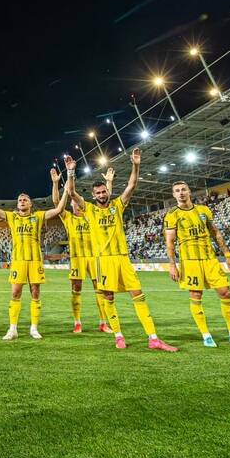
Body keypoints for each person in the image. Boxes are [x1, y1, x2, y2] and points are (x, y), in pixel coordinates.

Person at [66, 151, 178, 352]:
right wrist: (71, 172)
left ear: (107, 192)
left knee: (138, 295)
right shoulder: (90, 210)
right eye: (98, 193)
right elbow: (72, 193)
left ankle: (153, 338)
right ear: (93, 196)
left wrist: (136, 165)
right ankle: (118, 335)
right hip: (104, 261)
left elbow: (132, 186)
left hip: (123, 259)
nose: (101, 195)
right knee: (108, 297)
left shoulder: (117, 205)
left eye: (103, 192)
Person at [164, 181, 230, 348]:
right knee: (196, 296)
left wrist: (228, 254)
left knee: (225, 293)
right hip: (190, 262)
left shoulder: (204, 210)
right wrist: (172, 264)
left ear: (189, 191)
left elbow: (216, 233)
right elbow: (170, 242)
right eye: (177, 191)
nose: (181, 193)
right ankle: (206, 335)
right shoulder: (172, 214)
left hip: (210, 259)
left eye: (183, 189)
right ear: (174, 195)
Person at [0, 172, 65, 341]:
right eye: (19, 200)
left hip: (35, 261)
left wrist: (55, 184)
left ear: (30, 204)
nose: (22, 201)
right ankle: (13, 329)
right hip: (18, 261)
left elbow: (59, 209)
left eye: (24, 200)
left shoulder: (38, 217)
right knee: (15, 293)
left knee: (35, 292)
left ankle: (34, 328)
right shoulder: (12, 216)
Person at [51, 165, 108, 334]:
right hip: (77, 259)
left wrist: (109, 183)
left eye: (78, 202)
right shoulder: (68, 218)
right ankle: (77, 322)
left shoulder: (92, 214)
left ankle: (103, 322)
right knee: (76, 288)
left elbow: (106, 202)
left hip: (94, 257)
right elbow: (56, 203)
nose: (76, 205)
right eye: (73, 203)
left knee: (101, 289)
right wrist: (55, 183)